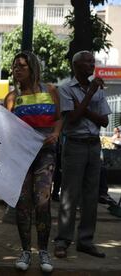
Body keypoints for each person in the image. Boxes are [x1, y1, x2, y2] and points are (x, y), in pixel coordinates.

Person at [4, 51, 62, 273]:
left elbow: (59, 119)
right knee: (22, 204)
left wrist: (56, 134)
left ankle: (44, 251)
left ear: (33, 68)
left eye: (22, 66)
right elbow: (6, 128)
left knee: (42, 202)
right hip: (21, 157)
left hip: (45, 155)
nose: (17, 69)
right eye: (15, 66)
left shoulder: (51, 91)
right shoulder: (11, 98)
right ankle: (26, 251)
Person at [54, 51, 111, 259]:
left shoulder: (99, 89)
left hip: (94, 146)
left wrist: (83, 108)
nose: (92, 65)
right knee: (70, 194)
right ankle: (63, 240)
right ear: (76, 65)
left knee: (91, 195)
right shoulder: (65, 89)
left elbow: (104, 121)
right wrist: (88, 97)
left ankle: (85, 241)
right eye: (87, 62)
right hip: (75, 145)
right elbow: (73, 119)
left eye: (92, 61)